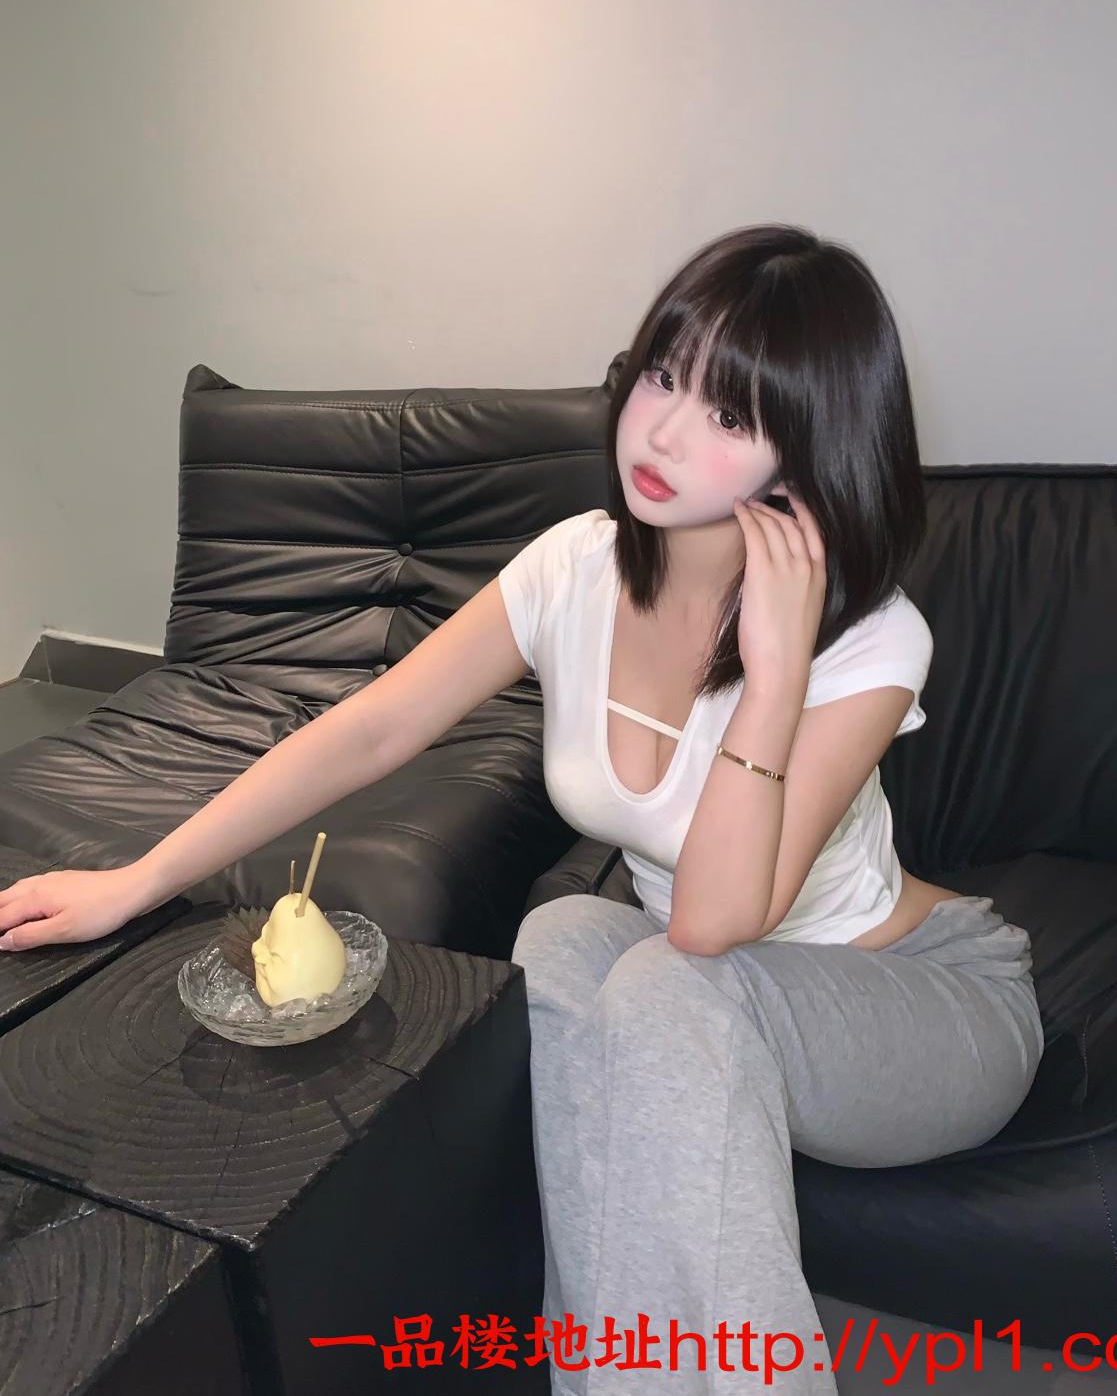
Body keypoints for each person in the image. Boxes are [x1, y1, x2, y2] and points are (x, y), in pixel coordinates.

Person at [0, 223, 1044, 1395]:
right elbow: (372, 728)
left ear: (807, 454)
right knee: (557, 939)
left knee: (669, 982)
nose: (662, 432)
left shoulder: (870, 639)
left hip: (922, 1002)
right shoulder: (574, 567)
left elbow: (711, 924)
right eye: (664, 375)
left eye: (729, 415)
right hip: (710, 988)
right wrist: (138, 879)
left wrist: (776, 673)